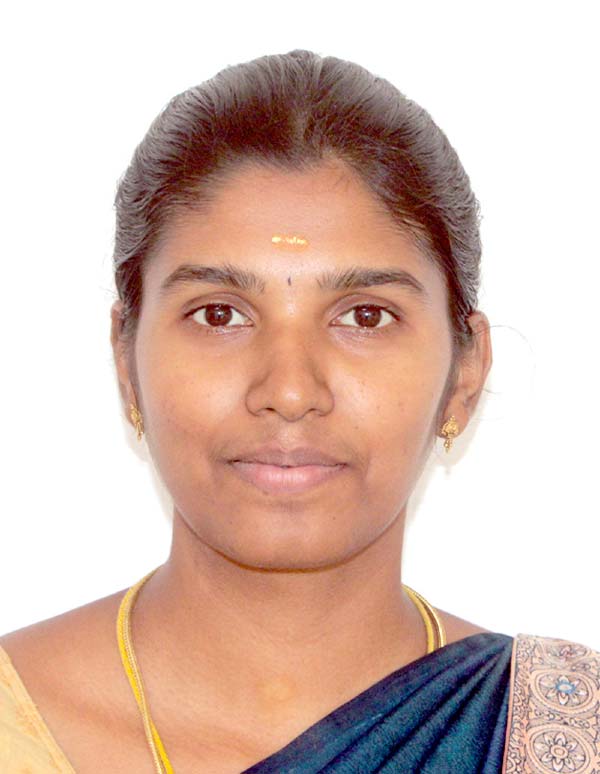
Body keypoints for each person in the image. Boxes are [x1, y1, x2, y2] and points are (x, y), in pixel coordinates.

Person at [0, 49, 598, 774]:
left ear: (465, 373)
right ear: (126, 362)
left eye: (366, 316)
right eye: (220, 314)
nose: (288, 390)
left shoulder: (567, 737)